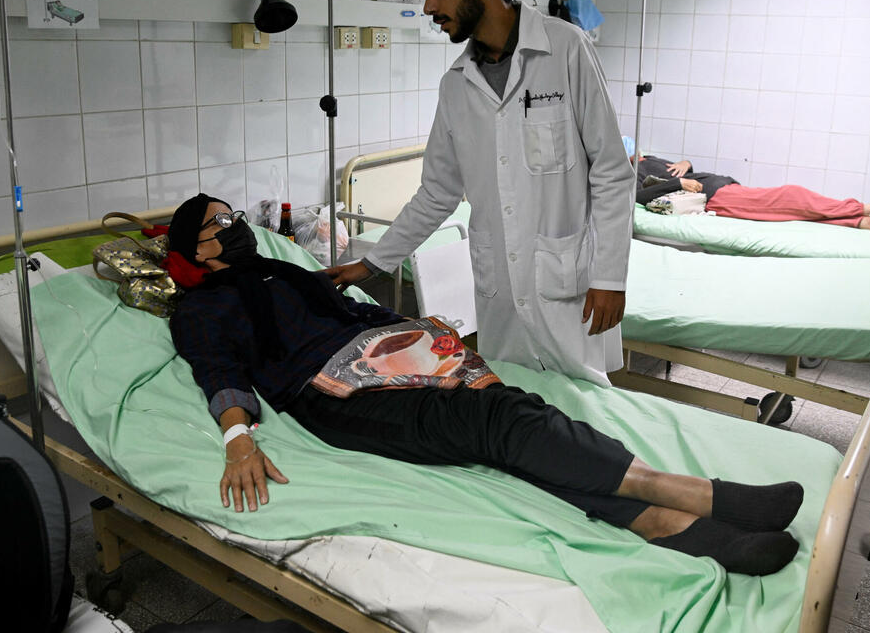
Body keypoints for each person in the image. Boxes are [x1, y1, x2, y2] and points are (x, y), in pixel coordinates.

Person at [164, 193, 805, 576]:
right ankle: (688, 494)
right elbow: (218, 370)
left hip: (391, 356)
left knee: (510, 410)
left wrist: (418, 331)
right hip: (335, 392)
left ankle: (664, 524)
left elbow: (355, 312)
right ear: (196, 251)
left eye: (234, 216)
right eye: (220, 224)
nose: (236, 226)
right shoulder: (201, 308)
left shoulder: (283, 272)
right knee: (496, 421)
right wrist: (238, 439)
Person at [324, 0, 635, 386]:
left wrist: (609, 278)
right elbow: (437, 193)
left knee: (585, 406)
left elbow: (611, 171)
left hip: (567, 288)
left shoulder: (566, 49)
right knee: (510, 400)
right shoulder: (456, 86)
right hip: (500, 296)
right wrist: (372, 262)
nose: (429, 6)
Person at [634, 154, 870, 234]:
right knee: (792, 196)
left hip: (721, 188)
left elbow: (682, 174)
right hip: (716, 197)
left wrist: (686, 163)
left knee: (793, 213)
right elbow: (640, 197)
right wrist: (679, 183)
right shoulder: (627, 172)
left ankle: (868, 223)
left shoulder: (645, 158)